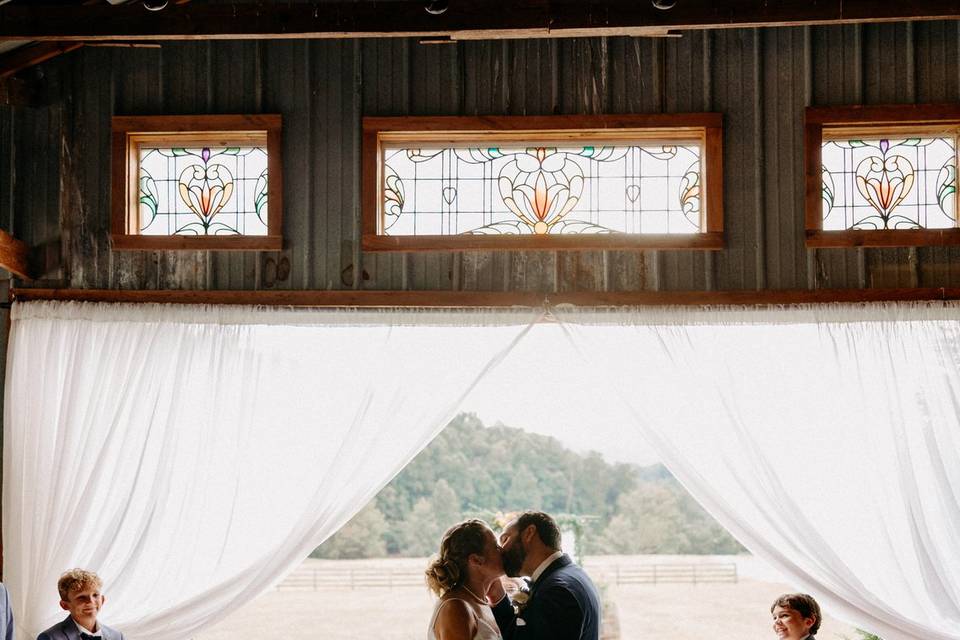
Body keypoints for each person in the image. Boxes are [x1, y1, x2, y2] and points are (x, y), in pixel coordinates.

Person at [490, 511, 601, 640]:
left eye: (505, 539)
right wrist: (497, 596)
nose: (501, 550)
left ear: (529, 533)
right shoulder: (572, 574)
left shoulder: (557, 592)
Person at [425, 519, 505, 640]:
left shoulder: (480, 601)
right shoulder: (456, 608)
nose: (503, 550)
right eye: (496, 546)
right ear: (476, 560)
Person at [37, 569, 125, 640]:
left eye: (95, 595)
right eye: (81, 597)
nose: (90, 601)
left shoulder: (117, 637)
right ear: (64, 605)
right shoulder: (49, 637)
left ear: (102, 600)